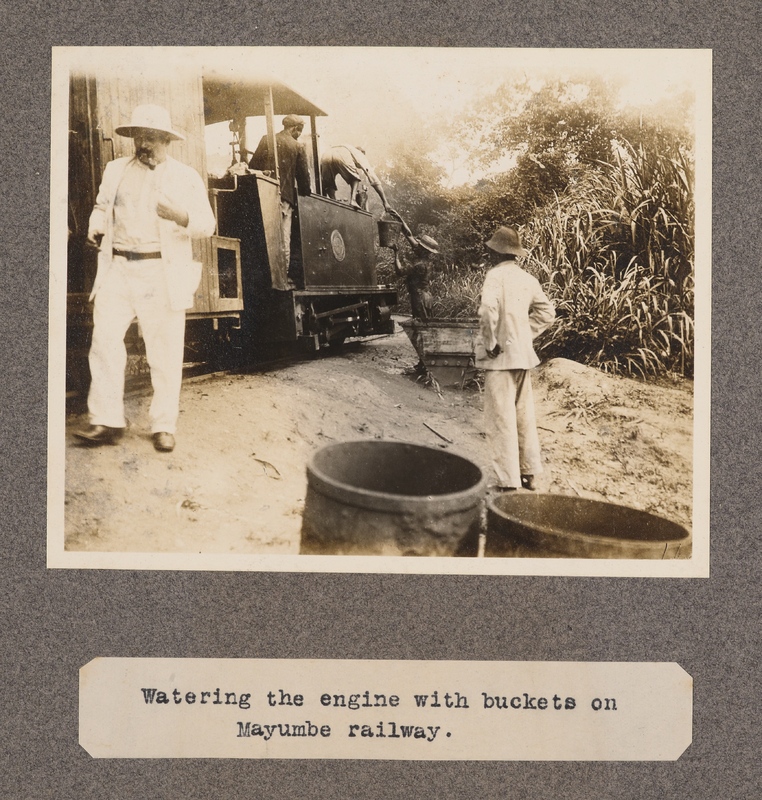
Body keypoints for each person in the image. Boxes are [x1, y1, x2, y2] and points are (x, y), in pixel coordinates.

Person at [74, 104, 216, 453]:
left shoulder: (186, 176)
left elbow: (207, 225)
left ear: (167, 140)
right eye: (140, 137)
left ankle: (163, 425)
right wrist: (96, 227)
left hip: (159, 271)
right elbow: (101, 207)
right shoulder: (115, 170)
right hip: (118, 267)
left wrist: (180, 215)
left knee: (164, 351)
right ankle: (107, 421)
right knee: (104, 343)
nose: (145, 144)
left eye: (152, 137)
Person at [475, 225, 555, 491]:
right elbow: (547, 314)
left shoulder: (495, 276)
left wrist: (491, 343)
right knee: (524, 415)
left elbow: (487, 310)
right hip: (522, 355)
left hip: (500, 358)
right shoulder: (528, 280)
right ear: (515, 254)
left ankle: (508, 481)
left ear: (496, 253)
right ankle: (530, 474)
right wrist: (522, 334)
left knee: (501, 418)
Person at [248, 115, 311, 271]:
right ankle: (283, 275)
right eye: (300, 131)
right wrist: (305, 191)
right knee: (283, 238)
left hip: (263, 196)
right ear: (296, 128)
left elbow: (252, 166)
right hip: (284, 198)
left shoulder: (266, 139)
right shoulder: (298, 147)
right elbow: (304, 181)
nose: (300, 135)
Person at [320, 144, 393, 213]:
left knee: (328, 184)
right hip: (342, 155)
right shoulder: (359, 154)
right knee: (355, 179)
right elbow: (374, 179)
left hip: (326, 155)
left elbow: (324, 180)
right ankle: (353, 200)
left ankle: (334, 202)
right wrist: (385, 202)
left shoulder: (347, 148)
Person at [391, 220, 440, 322]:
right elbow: (409, 235)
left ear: (423, 250)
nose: (416, 247)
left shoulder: (419, 265)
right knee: (427, 323)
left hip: (419, 298)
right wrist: (398, 218)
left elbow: (400, 271)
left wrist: (396, 254)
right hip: (427, 296)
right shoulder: (428, 262)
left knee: (420, 325)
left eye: (419, 246)